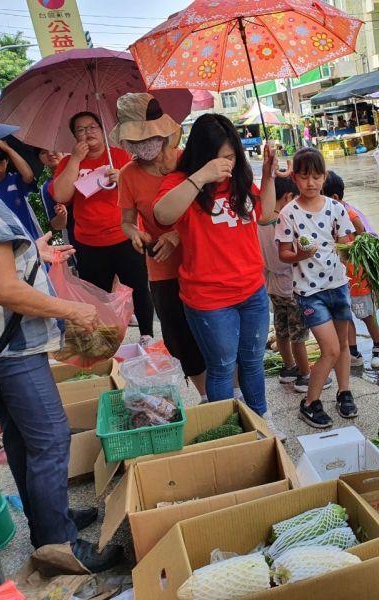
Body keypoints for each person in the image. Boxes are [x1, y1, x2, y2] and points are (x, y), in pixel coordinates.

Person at [0, 122, 123, 572]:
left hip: (1, 348)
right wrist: (70, 310)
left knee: (25, 441)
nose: (1, 162)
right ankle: (57, 543)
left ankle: (50, 521)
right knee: (50, 440)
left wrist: (35, 253)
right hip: (13, 350)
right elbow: (3, 288)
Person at [154, 114, 278, 425]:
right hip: (209, 299)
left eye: (232, 156)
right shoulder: (180, 183)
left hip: (252, 291)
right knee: (222, 366)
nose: (228, 164)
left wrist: (268, 175)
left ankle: (262, 418)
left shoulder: (240, 181)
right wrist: (201, 177)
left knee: (252, 362)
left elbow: (266, 215)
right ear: (203, 156)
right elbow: (162, 215)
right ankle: (228, 429)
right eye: (221, 158)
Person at [113, 93, 208, 401]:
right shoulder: (129, 174)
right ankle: (208, 396)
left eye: (150, 138)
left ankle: (232, 391)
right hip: (162, 268)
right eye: (137, 142)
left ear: (164, 132)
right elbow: (127, 221)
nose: (145, 147)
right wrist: (134, 234)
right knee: (179, 337)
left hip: (202, 259)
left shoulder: (188, 161)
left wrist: (178, 234)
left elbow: (211, 209)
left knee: (214, 331)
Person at [51, 111, 155, 340]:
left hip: (125, 236)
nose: (87, 133)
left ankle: (146, 336)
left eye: (92, 127)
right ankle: (103, 340)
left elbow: (145, 191)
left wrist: (124, 179)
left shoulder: (120, 155)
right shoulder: (70, 162)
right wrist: (76, 160)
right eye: (80, 130)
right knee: (96, 296)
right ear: (74, 137)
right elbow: (60, 194)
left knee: (138, 289)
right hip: (89, 242)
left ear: (101, 129)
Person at [275, 148, 357, 428]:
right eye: (304, 176)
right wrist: (301, 255)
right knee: (330, 349)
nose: (311, 182)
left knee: (343, 344)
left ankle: (344, 392)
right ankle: (309, 403)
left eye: (316, 176)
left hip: (338, 284)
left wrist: (354, 248)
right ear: (295, 177)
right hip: (310, 292)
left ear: (324, 177)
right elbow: (284, 253)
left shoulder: (336, 208)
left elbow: (346, 244)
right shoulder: (288, 213)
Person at [259, 176, 331, 401]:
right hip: (292, 286)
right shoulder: (285, 221)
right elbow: (297, 252)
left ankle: (289, 367)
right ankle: (304, 375)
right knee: (299, 334)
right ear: (289, 197)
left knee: (281, 329)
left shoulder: (260, 223)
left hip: (273, 286)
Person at [321, 171, 379, 370]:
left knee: (366, 314)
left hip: (357, 276)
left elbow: (365, 237)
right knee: (344, 315)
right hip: (338, 277)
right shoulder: (323, 216)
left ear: (334, 198)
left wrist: (350, 247)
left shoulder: (350, 215)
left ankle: (378, 347)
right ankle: (352, 352)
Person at [0, 139, 40, 238]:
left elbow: (29, 176)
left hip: (30, 240)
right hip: (2, 242)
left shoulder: (15, 179)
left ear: (7, 161)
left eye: (1, 162)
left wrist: (8, 149)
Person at [36, 149, 70, 236]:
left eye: (54, 148)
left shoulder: (83, 171)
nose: (50, 154)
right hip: (76, 240)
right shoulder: (46, 187)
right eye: (43, 152)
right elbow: (56, 225)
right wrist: (62, 216)